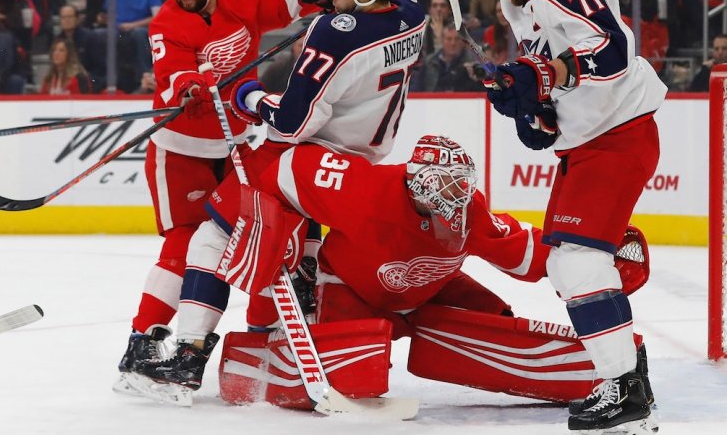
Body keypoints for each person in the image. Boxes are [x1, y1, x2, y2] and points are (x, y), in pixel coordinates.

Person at [130, 0, 426, 401]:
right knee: (285, 242)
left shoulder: (329, 31)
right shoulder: (411, 12)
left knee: (212, 237)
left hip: (302, 153)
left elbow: (291, 121)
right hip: (355, 159)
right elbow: (174, 72)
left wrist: (250, 96)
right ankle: (261, 339)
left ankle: (188, 357)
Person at [215, 135, 652, 410]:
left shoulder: (470, 210)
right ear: (416, 182)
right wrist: (291, 245)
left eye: (459, 184)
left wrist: (598, 257)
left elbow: (526, 253)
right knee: (357, 377)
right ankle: (258, 353)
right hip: (352, 289)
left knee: (498, 320)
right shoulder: (363, 191)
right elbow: (288, 169)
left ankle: (612, 365)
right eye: (443, 185)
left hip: (432, 289)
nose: (455, 196)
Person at [461, 0, 666, 432]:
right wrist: (534, 111)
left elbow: (613, 51)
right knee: (566, 262)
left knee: (578, 262)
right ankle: (626, 379)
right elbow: (558, 87)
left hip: (620, 135)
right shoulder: (521, 5)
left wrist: (541, 75)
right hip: (592, 143)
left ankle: (624, 386)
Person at [112, 0, 323, 396]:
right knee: (184, 243)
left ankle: (264, 332)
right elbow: (172, 72)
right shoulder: (167, 20)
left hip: (235, 145)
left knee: (249, 232)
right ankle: (141, 349)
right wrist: (189, 87)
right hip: (180, 149)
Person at [100, 0, 163, 81]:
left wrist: (132, 25)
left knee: (138, 33)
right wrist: (104, 19)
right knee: (100, 35)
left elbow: (157, 16)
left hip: (141, 29)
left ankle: (144, 75)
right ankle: (106, 77)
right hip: (118, 29)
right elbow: (108, 15)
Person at [419, 24, 484, 92]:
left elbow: (484, 91)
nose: (453, 43)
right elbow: (417, 87)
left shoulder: (474, 62)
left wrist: (473, 78)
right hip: (431, 100)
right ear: (442, 40)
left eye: (457, 39)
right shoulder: (429, 61)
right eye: (449, 39)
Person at [56, 4, 106, 92]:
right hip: (65, 78)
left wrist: (85, 78)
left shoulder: (90, 37)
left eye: (69, 17)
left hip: (90, 78)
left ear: (77, 19)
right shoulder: (57, 40)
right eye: (63, 17)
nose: (66, 20)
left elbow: (99, 66)